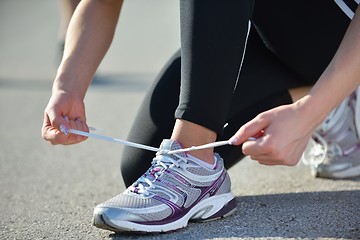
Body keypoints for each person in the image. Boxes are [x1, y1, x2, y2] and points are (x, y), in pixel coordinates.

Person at [42, 0, 360, 233]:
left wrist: (307, 114)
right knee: (140, 166)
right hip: (264, 33)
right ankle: (333, 104)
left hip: (338, 33)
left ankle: (195, 163)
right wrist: (67, 87)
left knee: (178, 172)